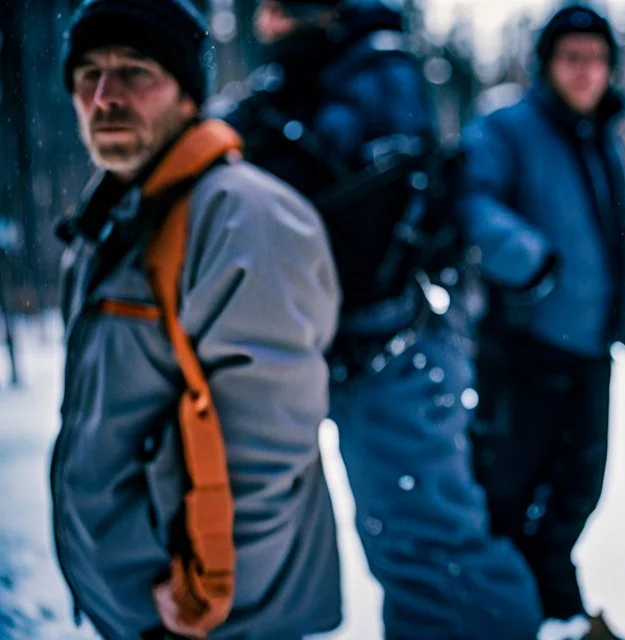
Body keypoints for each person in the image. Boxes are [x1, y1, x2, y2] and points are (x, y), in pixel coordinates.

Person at [214, 1, 543, 637]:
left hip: (395, 344)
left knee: (424, 542)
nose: (273, 23)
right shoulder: (293, 83)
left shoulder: (376, 69)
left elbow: (358, 187)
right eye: (267, 9)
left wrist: (274, 148)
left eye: (290, 7)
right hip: (328, 343)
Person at [52, 0, 342, 637]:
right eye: (88, 76)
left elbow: (270, 444)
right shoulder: (115, 218)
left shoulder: (244, 216)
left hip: (213, 615)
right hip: (143, 604)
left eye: (134, 71)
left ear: (186, 94)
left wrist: (206, 591)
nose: (105, 96)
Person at [459, 4, 625, 631]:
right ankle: (513, 612)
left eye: (597, 59)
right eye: (572, 57)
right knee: (507, 495)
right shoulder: (507, 129)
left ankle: (553, 609)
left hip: (591, 346)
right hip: (523, 344)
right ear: (546, 65)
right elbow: (469, 200)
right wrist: (528, 259)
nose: (587, 71)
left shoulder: (603, 138)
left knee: (578, 492)